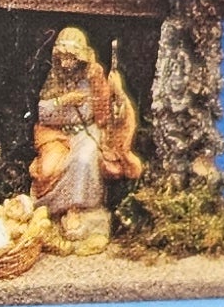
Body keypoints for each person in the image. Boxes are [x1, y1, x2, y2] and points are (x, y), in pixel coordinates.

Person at [28, 24, 140, 249]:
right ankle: (50, 209)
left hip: (86, 131)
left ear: (80, 57)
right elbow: (43, 112)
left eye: (70, 58)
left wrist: (117, 91)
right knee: (47, 171)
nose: (65, 63)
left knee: (83, 160)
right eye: (62, 58)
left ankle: (74, 209)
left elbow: (108, 113)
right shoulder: (55, 77)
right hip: (57, 134)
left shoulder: (93, 76)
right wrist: (64, 100)